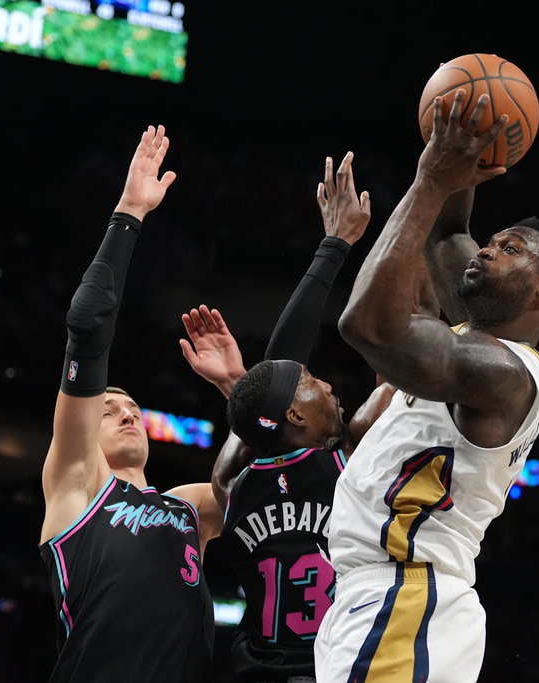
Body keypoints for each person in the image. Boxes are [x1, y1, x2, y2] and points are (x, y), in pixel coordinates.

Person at [314, 91, 539, 682]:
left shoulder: (505, 373)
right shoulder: (473, 338)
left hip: (405, 594)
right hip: (385, 596)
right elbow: (446, 230)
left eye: (510, 250)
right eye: (493, 242)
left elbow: (366, 326)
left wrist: (432, 179)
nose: (487, 249)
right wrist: (462, 135)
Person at [179, 153, 394, 683]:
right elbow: (392, 359)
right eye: (314, 382)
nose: (329, 386)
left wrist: (240, 385)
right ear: (295, 412)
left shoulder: (231, 484)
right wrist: (340, 243)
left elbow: (267, 405)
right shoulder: (350, 459)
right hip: (343, 668)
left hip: (259, 671)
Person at [38, 125, 223, 683]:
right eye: (108, 410)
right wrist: (130, 211)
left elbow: (277, 475)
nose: (127, 413)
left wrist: (234, 384)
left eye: (135, 411)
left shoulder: (188, 507)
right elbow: (87, 324)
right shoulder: (77, 485)